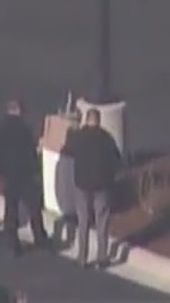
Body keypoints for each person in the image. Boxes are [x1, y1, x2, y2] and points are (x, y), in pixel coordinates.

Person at [0, 99, 51, 256]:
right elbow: (30, 153)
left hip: (9, 175)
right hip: (25, 174)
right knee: (34, 207)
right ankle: (39, 237)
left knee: (11, 208)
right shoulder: (24, 129)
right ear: (18, 110)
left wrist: (0, 170)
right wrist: (36, 169)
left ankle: (12, 241)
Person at [66, 108, 122, 269]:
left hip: (82, 184)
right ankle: (102, 256)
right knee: (102, 220)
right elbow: (116, 160)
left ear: (86, 119)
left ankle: (82, 257)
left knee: (83, 221)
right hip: (102, 185)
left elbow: (68, 149)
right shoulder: (106, 138)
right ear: (99, 120)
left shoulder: (79, 137)